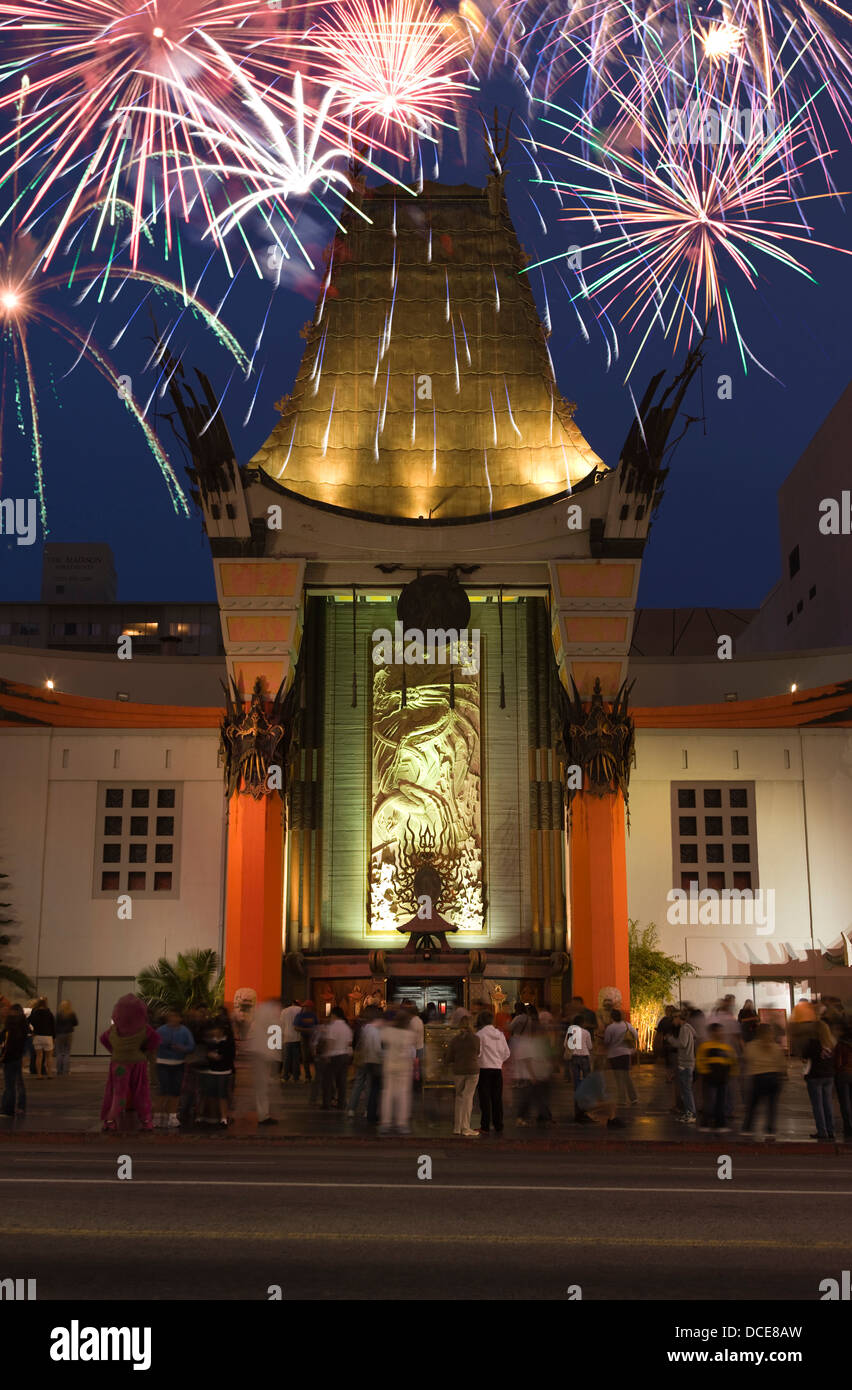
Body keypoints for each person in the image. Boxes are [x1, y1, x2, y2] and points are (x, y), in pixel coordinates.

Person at [100, 995, 160, 1132]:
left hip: (119, 1064)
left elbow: (103, 1039)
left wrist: (115, 1051)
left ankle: (109, 1120)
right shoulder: (144, 1029)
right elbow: (155, 1040)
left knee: (119, 1094)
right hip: (138, 1062)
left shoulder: (114, 1029)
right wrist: (143, 1051)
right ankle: (146, 1120)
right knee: (141, 1091)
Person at [741, 1024, 787, 1138]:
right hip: (774, 1077)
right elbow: (782, 1064)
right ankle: (770, 1129)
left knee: (753, 1104)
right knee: (771, 1105)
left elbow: (747, 1059)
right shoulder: (776, 1047)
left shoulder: (751, 1046)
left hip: (758, 1077)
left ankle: (748, 1127)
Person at [512, 1010, 555, 1126]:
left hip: (531, 1073)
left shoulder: (525, 1040)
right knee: (529, 1097)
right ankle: (526, 1117)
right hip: (528, 1075)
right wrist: (533, 1075)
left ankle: (541, 1116)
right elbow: (526, 1060)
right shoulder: (525, 1041)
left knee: (532, 1096)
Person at [155, 1008, 195, 1128]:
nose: (173, 1019)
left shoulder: (184, 1030)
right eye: (171, 1016)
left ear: (180, 1018)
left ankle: (172, 1116)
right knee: (163, 1089)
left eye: (176, 1016)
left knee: (175, 1090)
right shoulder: (161, 1030)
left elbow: (191, 1046)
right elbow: (153, 1042)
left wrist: (183, 1049)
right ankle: (157, 1116)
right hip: (163, 1063)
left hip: (178, 1063)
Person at [695, 1024, 738, 1132]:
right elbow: (700, 1061)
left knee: (720, 1101)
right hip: (710, 1077)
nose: (721, 1033)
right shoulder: (705, 1047)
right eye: (718, 1031)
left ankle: (720, 1123)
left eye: (721, 1031)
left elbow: (732, 1061)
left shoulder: (726, 1048)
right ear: (712, 1033)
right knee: (709, 1101)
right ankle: (705, 1123)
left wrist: (731, 1073)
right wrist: (704, 1073)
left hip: (722, 1078)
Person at [379, 1010, 416, 1136]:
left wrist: (388, 1024)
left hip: (389, 1066)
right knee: (403, 1095)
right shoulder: (409, 1034)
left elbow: (381, 1034)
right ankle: (402, 1123)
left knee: (387, 1094)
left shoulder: (389, 1032)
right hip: (404, 1067)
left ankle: (386, 1122)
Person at [198, 1013, 236, 1127]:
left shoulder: (228, 1041)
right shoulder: (209, 1040)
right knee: (207, 1093)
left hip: (223, 1070)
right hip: (211, 1070)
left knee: (222, 1095)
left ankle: (223, 1118)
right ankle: (201, 1116)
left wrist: (218, 1057)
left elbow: (230, 1056)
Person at [475, 1010, 510, 1134]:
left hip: (484, 1069)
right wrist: (498, 1061)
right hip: (497, 1069)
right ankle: (498, 1124)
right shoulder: (500, 1035)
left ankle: (485, 1125)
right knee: (497, 1098)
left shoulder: (480, 1035)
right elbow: (507, 1053)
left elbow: (478, 1052)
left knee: (485, 1099)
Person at [802, 1016, 836, 1141]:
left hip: (815, 1076)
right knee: (828, 1103)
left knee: (817, 1105)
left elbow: (805, 1057)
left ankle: (822, 1131)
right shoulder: (831, 1043)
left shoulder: (813, 1043)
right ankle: (831, 1130)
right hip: (829, 1076)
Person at [250, 996, 283, 1126]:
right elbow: (275, 1034)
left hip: (259, 1052)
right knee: (264, 1086)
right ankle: (264, 1115)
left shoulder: (260, 1011)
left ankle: (264, 1113)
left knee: (262, 1087)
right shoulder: (272, 1013)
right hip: (265, 1054)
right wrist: (276, 1057)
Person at [347, 1005, 383, 1121]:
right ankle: (367, 1110)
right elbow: (376, 1047)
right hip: (371, 1059)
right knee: (369, 1085)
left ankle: (351, 1109)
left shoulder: (363, 1027)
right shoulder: (375, 1029)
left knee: (358, 1083)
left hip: (361, 1058)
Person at [447, 1013, 480, 1137]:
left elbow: (449, 1056)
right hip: (472, 1071)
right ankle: (466, 1127)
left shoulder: (455, 1040)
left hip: (458, 1071)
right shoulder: (476, 1039)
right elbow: (478, 1052)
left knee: (459, 1097)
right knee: (468, 1098)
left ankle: (457, 1127)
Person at [603, 1008, 639, 1106]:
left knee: (618, 1077)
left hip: (614, 1054)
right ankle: (633, 1098)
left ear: (612, 1017)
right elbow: (636, 1035)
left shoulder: (610, 1028)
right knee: (626, 1075)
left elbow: (607, 1041)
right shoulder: (627, 1025)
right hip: (626, 1053)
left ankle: (622, 1099)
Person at [0, 1003, 29, 1118]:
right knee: (17, 1083)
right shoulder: (22, 1026)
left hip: (10, 1059)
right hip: (17, 1058)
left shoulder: (10, 1028)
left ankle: (8, 1109)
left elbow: (7, 1045)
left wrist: (3, 1057)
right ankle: (19, 1106)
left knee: (9, 1085)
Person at [321, 1006, 353, 1110]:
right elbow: (349, 1043)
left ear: (334, 1015)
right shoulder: (347, 1027)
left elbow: (330, 1041)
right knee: (342, 1082)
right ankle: (341, 1103)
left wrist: (327, 1054)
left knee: (328, 1081)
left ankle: (327, 1103)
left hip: (334, 1055)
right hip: (344, 1055)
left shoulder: (333, 1026)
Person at [564, 1014, 593, 1123]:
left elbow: (565, 1045)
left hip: (574, 1058)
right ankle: (585, 1111)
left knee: (576, 1085)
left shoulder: (570, 1030)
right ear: (582, 1022)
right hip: (584, 1058)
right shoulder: (586, 1032)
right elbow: (590, 1047)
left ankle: (577, 1111)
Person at [672, 1010, 697, 1123]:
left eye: (674, 1018)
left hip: (685, 1063)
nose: (673, 1021)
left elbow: (682, 1043)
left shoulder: (684, 1029)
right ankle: (689, 1112)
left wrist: (671, 1039)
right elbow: (695, 1037)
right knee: (686, 1090)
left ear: (678, 1018)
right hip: (689, 1062)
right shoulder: (690, 1028)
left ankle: (690, 1113)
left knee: (686, 1090)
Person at [833, 1020, 852, 1141]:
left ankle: (848, 1127)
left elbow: (838, 1063)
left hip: (843, 1075)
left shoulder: (840, 1045)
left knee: (845, 1103)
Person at [29, 996, 55, 1078]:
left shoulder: (34, 1012)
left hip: (37, 1036)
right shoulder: (49, 1012)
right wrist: (54, 1037)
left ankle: (39, 1074)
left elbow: (28, 1021)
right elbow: (53, 1025)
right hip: (48, 1036)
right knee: (49, 1057)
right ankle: (49, 1074)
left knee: (39, 1056)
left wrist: (32, 1031)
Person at [294, 999, 318, 1084]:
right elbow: (295, 1027)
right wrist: (308, 1030)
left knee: (315, 1057)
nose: (309, 1009)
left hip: (312, 1038)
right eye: (308, 1007)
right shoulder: (300, 1016)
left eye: (310, 1007)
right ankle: (308, 1076)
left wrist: (312, 1030)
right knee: (305, 1058)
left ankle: (317, 1076)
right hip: (304, 1038)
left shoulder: (313, 1015)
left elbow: (316, 1026)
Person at [280, 999, 302, 1083]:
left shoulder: (284, 1011)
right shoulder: (300, 1010)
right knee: (296, 1059)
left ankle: (285, 1076)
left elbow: (281, 1024)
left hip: (286, 1037)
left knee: (286, 1058)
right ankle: (296, 1077)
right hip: (297, 1037)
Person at [54, 1001, 78, 1076]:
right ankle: (66, 1071)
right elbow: (76, 1023)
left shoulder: (58, 1014)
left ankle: (59, 1070)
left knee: (59, 1052)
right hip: (68, 1033)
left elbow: (55, 1024)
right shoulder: (72, 1014)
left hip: (59, 1034)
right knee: (67, 1052)